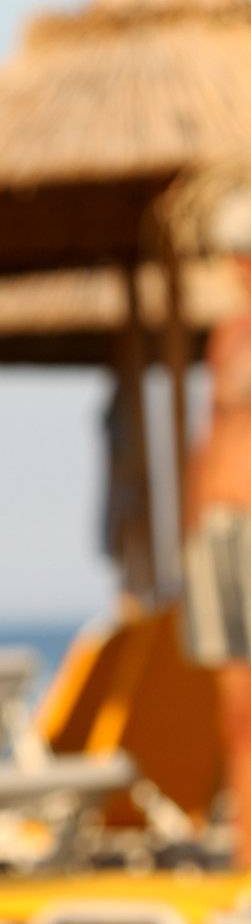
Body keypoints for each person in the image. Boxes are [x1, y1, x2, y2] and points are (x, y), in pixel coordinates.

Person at [181, 256, 251, 868]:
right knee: (236, 708)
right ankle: (243, 853)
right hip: (219, 526)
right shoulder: (227, 332)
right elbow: (212, 429)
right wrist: (192, 521)